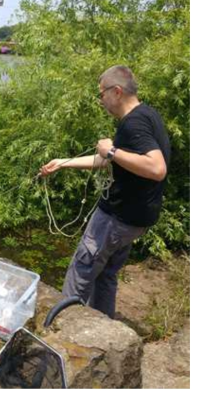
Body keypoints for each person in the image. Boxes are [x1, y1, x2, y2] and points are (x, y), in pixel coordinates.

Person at [40, 65, 171, 318]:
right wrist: (63, 163)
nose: (101, 100)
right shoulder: (147, 114)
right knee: (106, 276)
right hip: (134, 221)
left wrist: (110, 150)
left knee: (81, 272)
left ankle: (64, 328)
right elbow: (113, 160)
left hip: (115, 220)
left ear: (117, 91)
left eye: (101, 94)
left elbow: (156, 168)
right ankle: (103, 327)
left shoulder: (133, 124)